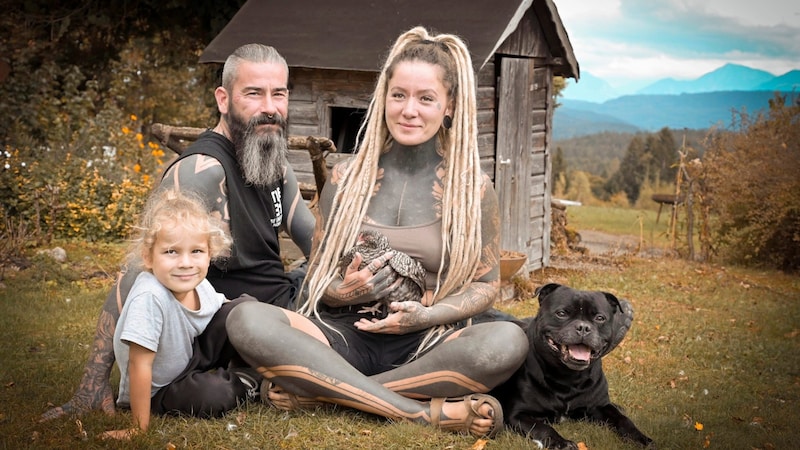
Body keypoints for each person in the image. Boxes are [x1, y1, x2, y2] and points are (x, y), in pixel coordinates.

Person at [225, 27, 529, 438]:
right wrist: (347, 293)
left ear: (449, 106)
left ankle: (322, 393)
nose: (409, 110)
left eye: (426, 99)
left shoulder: (474, 189)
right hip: (339, 334)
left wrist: (426, 314)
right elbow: (316, 274)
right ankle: (417, 412)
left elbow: (484, 285)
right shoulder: (346, 178)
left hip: (426, 341)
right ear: (383, 96)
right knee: (246, 319)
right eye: (399, 95)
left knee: (508, 341)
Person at [41, 43, 316, 421]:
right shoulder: (200, 171)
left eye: (279, 94)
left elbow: (316, 243)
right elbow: (139, 268)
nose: (269, 106)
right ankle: (251, 378)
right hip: (227, 327)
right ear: (223, 98)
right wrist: (92, 383)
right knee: (214, 391)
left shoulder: (275, 163)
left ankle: (265, 374)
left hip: (277, 304)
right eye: (254, 93)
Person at [102, 189, 245, 440]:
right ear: (148, 256)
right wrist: (138, 427)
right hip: (161, 389)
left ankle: (267, 368)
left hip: (188, 358)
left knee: (244, 310)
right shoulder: (149, 297)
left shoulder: (196, 282)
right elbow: (140, 364)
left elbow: (225, 310)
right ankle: (249, 382)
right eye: (171, 252)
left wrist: (251, 317)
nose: (186, 263)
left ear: (209, 253)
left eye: (196, 252)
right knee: (215, 393)